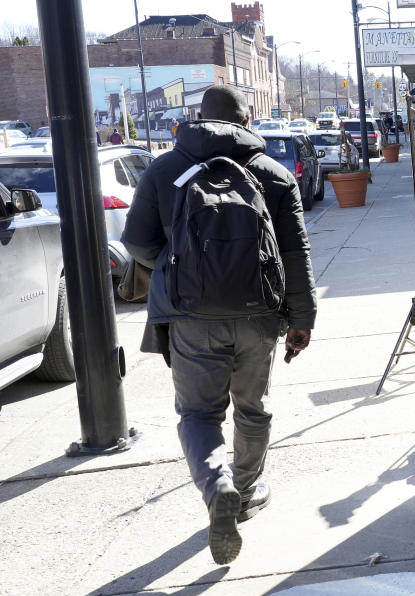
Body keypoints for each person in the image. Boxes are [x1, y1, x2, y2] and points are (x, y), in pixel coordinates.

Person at [121, 85, 317, 564]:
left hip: (191, 318)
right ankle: (246, 493)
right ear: (246, 121)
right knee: (254, 408)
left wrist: (178, 268)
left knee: (198, 415)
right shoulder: (271, 173)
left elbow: (136, 242)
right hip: (259, 315)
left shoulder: (165, 169)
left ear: (196, 118)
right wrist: (303, 316)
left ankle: (217, 490)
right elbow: (294, 252)